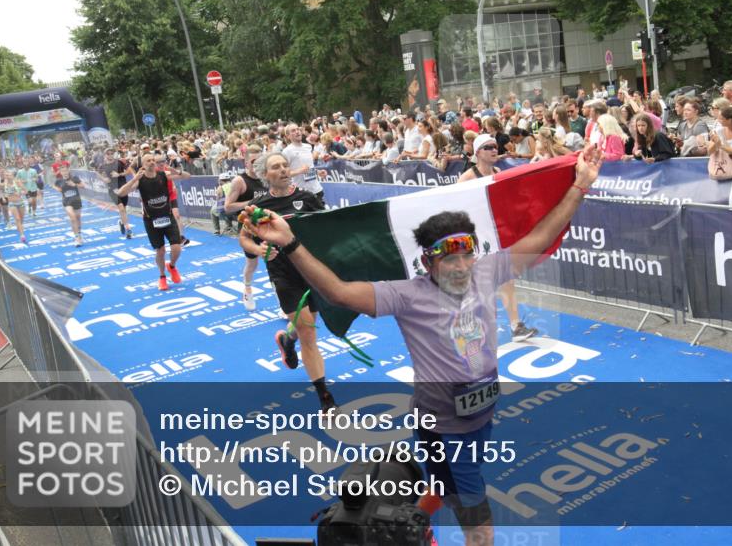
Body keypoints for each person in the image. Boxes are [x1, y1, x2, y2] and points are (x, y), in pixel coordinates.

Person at [241, 145, 603, 546]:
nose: (461, 266)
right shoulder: (408, 295)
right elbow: (340, 292)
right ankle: (400, 526)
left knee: (446, 484)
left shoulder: (488, 270)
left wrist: (580, 186)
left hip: (480, 414)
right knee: (477, 520)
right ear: (428, 263)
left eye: (466, 255)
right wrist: (290, 244)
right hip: (443, 427)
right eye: (448, 259)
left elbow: (541, 236)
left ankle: (398, 525)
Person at [243, 152, 337, 413]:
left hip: (311, 270)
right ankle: (325, 399)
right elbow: (244, 238)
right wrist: (258, 249)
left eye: (285, 165)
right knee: (309, 333)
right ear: (265, 174)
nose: (283, 170)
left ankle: (287, 339)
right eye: (276, 167)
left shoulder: (307, 198)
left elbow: (328, 228)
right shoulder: (259, 206)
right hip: (283, 274)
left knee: (308, 324)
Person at [458, 133, 540, 343]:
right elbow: (457, 210)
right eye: (488, 147)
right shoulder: (467, 178)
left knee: (506, 278)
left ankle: (516, 326)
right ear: (477, 153)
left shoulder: (499, 172)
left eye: (495, 146)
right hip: (476, 238)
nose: (494, 150)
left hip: (497, 235)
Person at [116, 152, 192, 291]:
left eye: (153, 160)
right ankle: (162, 276)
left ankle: (172, 266)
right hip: (151, 220)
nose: (152, 162)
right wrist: (134, 180)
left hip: (167, 216)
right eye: (148, 161)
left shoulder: (164, 175)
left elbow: (187, 176)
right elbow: (120, 193)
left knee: (176, 247)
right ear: (143, 165)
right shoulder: (140, 180)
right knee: (161, 250)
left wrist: (176, 170)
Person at [224, 145, 270, 310]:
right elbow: (227, 207)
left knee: (276, 263)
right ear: (246, 162)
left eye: (260, 161)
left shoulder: (267, 177)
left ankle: (284, 304)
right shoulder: (240, 181)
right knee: (252, 263)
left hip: (267, 226)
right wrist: (250, 203)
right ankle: (247, 288)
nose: (257, 164)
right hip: (248, 229)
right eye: (253, 161)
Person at [98, 147, 133, 239]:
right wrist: (104, 179)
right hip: (112, 189)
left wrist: (120, 174)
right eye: (108, 153)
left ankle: (121, 222)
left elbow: (129, 171)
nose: (110, 155)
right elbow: (98, 174)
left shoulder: (120, 162)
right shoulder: (102, 166)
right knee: (121, 208)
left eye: (111, 153)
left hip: (123, 188)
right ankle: (128, 229)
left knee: (124, 209)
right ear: (105, 155)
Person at [52, 164, 83, 247]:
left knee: (78, 218)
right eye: (63, 171)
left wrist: (74, 185)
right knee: (73, 218)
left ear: (68, 171)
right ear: (61, 173)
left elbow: (83, 186)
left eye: (66, 170)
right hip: (67, 202)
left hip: (76, 201)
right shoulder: (59, 181)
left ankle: (79, 234)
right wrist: (57, 189)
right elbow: (54, 185)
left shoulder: (74, 178)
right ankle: (76, 238)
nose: (64, 172)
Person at [0, 168, 28, 243]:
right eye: (6, 175)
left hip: (20, 202)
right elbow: (1, 192)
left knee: (21, 220)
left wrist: (20, 193)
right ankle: (22, 235)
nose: (7, 176)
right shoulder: (3, 184)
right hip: (12, 204)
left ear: (12, 175)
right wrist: (3, 198)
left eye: (8, 174)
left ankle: (19, 228)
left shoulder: (17, 182)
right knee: (17, 219)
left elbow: (26, 190)